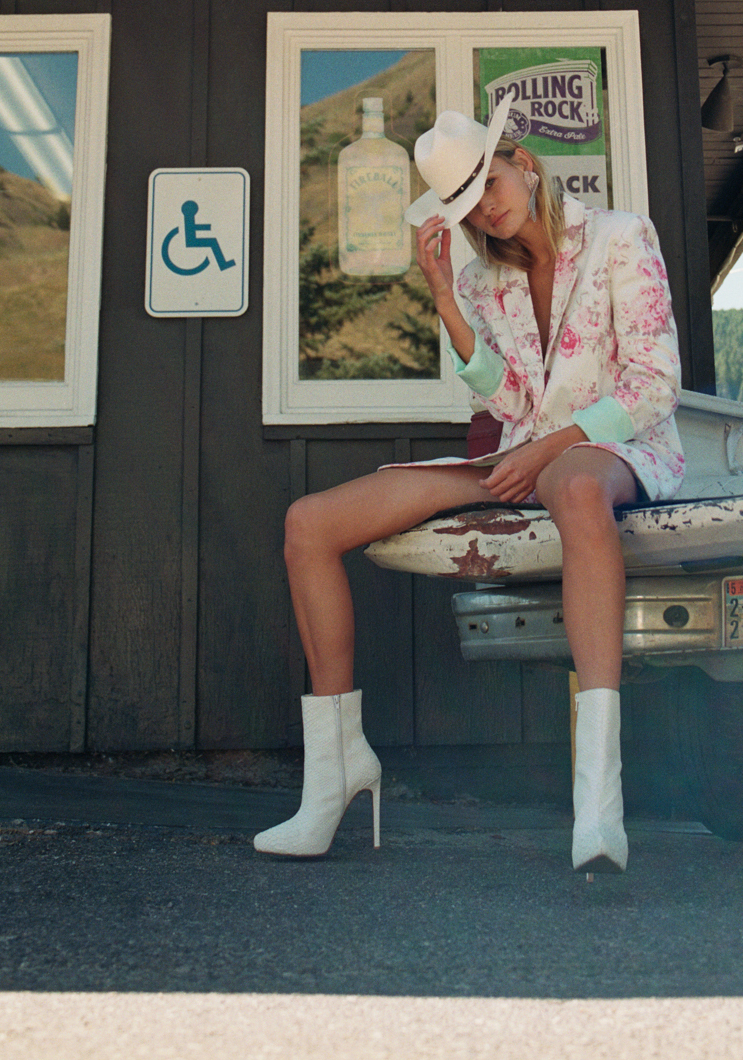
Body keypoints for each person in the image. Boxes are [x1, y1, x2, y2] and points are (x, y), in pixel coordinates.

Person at [255, 89, 685, 872]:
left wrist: (553, 447)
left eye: (488, 184)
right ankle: (336, 774)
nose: (485, 209)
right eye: (466, 204)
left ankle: (598, 805)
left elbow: (655, 385)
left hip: (614, 448)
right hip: (521, 456)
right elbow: (508, 399)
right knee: (308, 524)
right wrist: (446, 301)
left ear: (522, 164)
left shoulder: (622, 237)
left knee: (577, 489)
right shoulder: (488, 280)